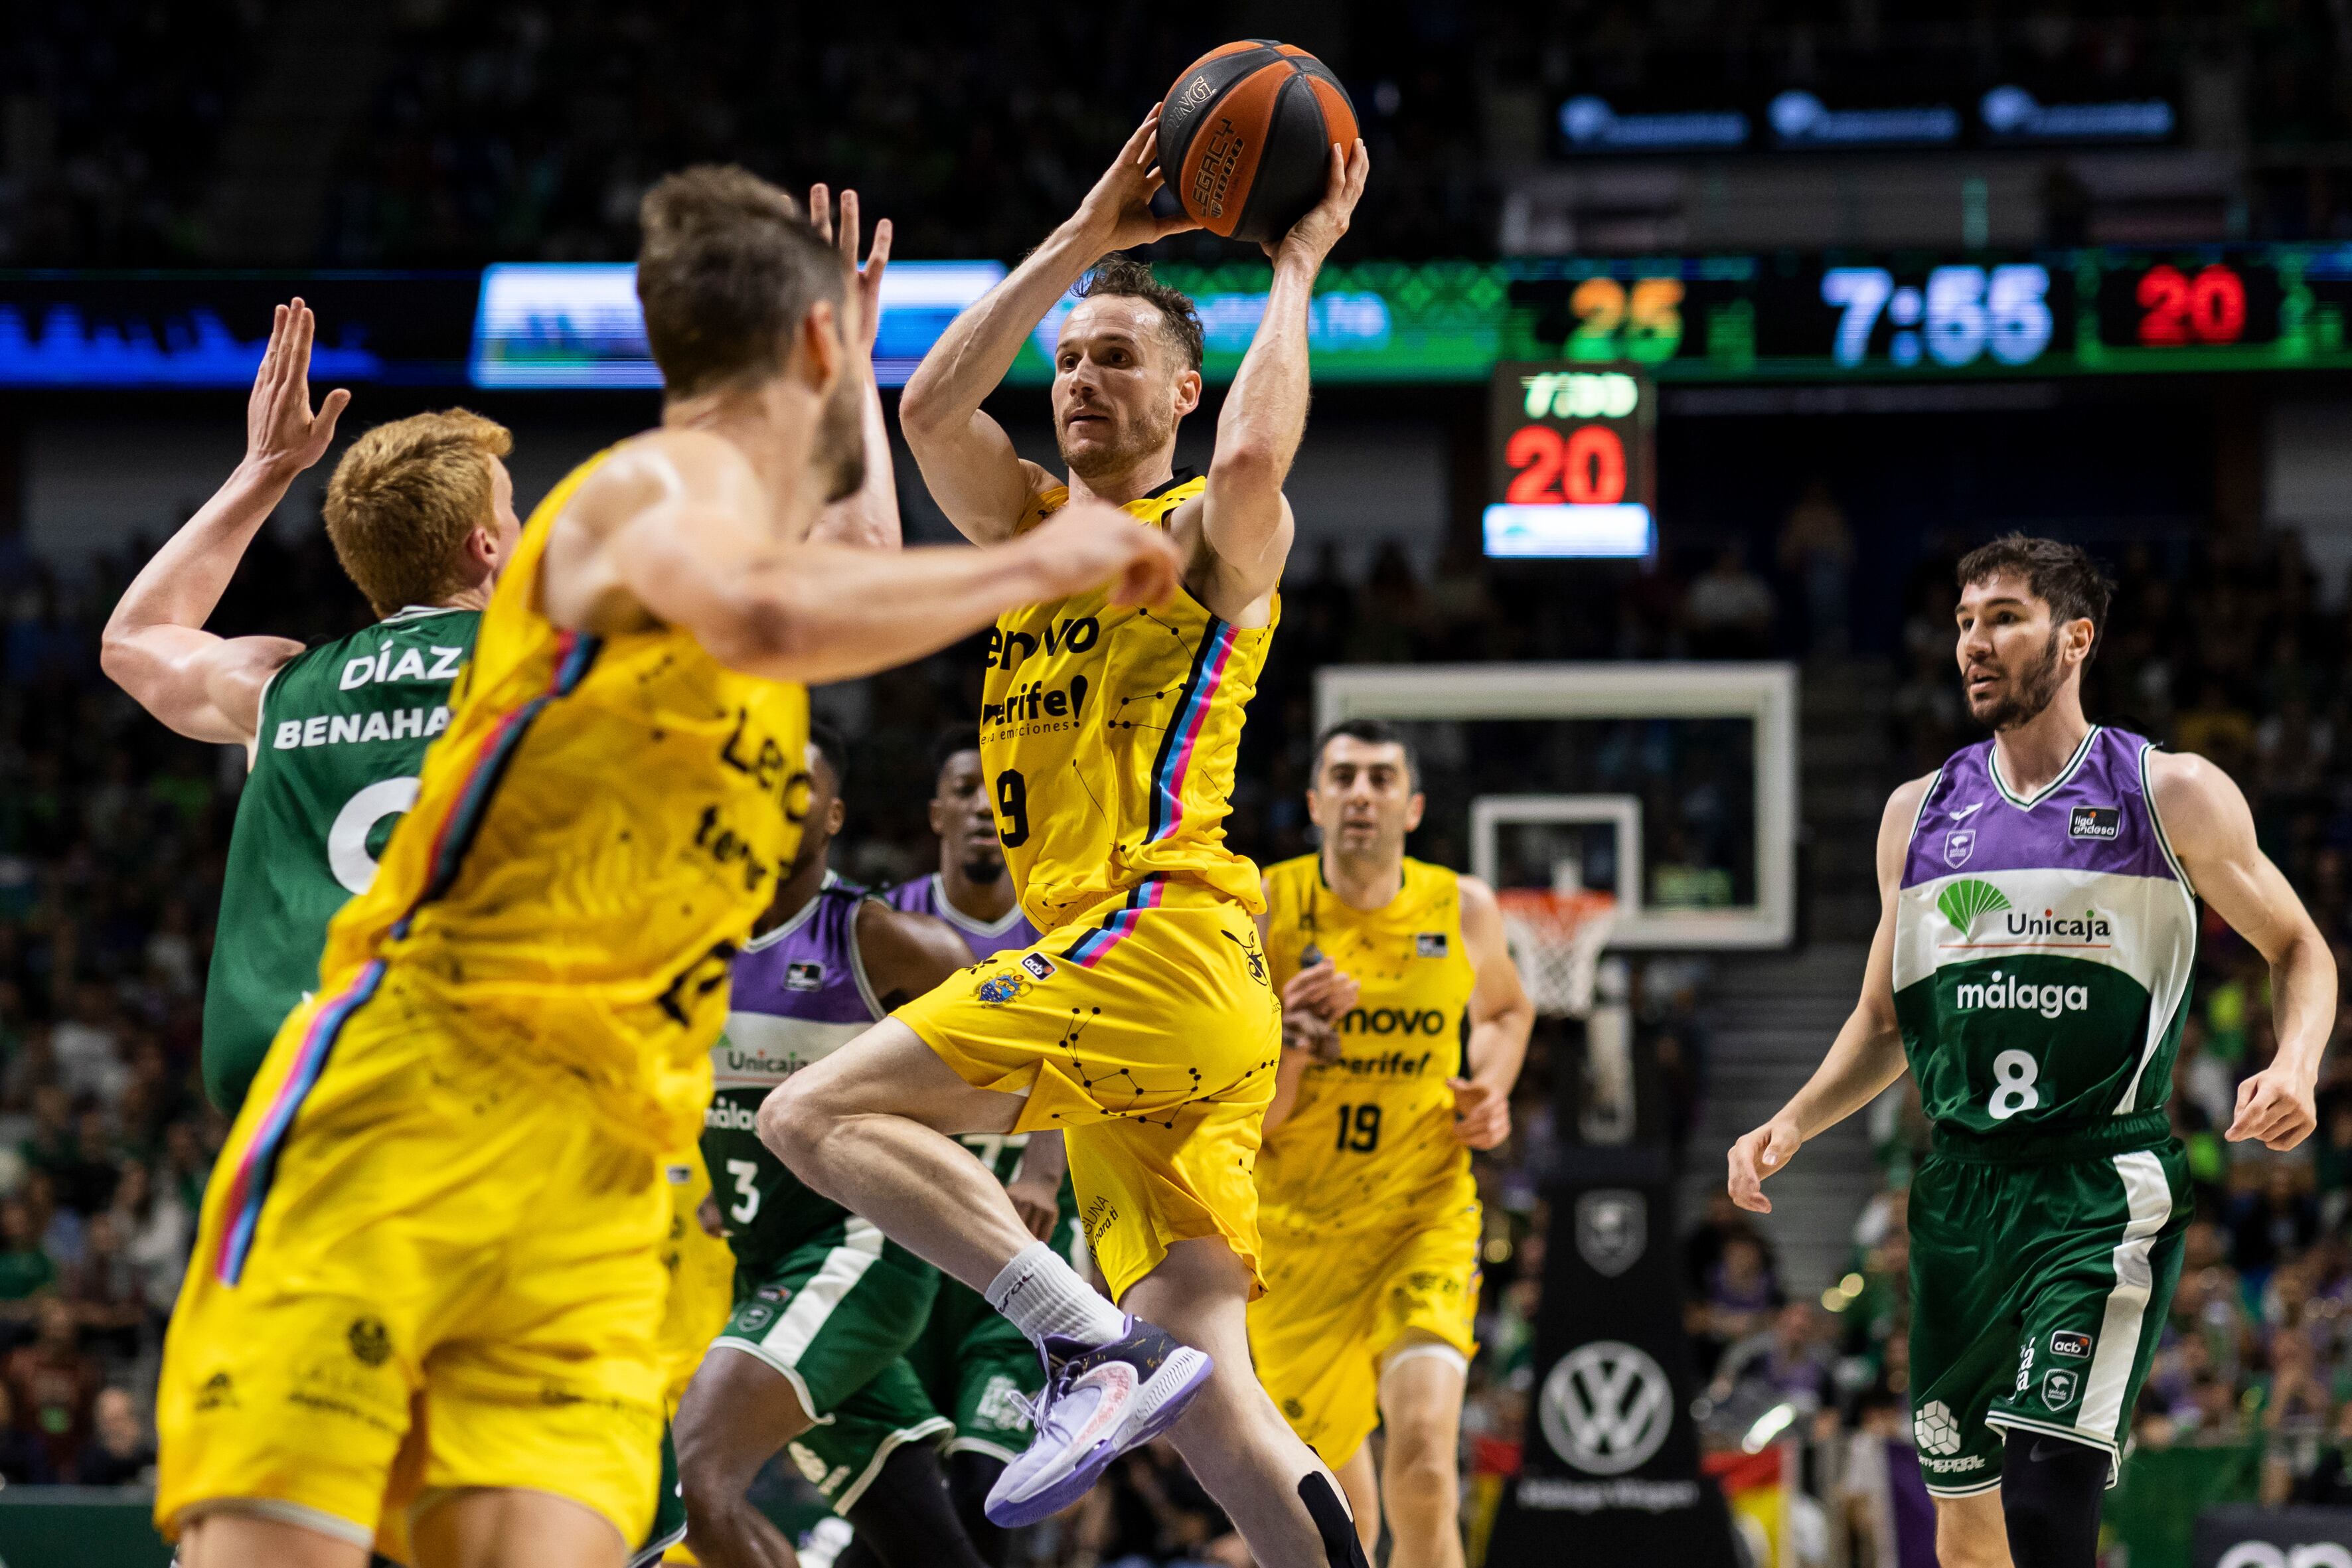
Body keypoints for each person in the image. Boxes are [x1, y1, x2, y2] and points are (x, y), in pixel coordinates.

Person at [151, 165, 1177, 1568]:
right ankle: (1077, 1331)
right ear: (817, 346)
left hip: (606, 1171)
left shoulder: (695, 573)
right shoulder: (647, 494)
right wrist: (1044, 561)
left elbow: (848, 555)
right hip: (413, 1103)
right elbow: (777, 596)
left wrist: (858, 396)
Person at [763, 110, 1380, 1567]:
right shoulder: (1035, 532)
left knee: (815, 1115)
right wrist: (1092, 234)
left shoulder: (1198, 537)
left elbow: (1254, 462)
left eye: (1115, 356)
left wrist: (1294, 265)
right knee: (1221, 1410)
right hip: (1143, 1000)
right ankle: (1118, 1356)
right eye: (1068, 358)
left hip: (1153, 937)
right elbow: (927, 417)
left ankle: (1078, 1349)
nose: (1079, 377)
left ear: (1183, 387)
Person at [1728, 534, 2334, 1568]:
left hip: (2099, 1181)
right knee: (1964, 1524)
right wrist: (1791, 1118)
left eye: (2003, 616)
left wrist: (2294, 1061)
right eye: (1963, 621)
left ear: (2073, 637)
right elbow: (1882, 1022)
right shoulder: (1912, 816)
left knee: (2045, 1498)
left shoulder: (2167, 790)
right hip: (1961, 1192)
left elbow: (2298, 946)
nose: (1973, 641)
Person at [98, 301, 509, 1117]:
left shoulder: (276, 682)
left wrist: (265, 469)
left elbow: (136, 635)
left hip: (284, 1079)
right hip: (458, 1076)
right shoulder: (556, 669)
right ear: (485, 545)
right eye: (511, 511)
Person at [676, 721, 994, 1568]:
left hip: (862, 1250)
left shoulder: (884, 940)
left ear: (833, 816)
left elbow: (1019, 1072)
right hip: (766, 1257)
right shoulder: (691, 941)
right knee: (922, 1544)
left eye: (797, 786)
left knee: (698, 1477)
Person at [1251, 720, 1533, 1568]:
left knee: (1423, 1467)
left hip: (1423, 1215)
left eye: (1380, 779)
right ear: (1314, 803)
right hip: (1294, 1239)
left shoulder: (1464, 908)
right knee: (1339, 1522)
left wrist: (1491, 1089)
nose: (1362, 794)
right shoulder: (1262, 907)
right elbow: (1247, 1116)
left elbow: (1508, 1013)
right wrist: (1294, 1036)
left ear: (1412, 808)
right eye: (1343, 777)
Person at [887, 737, 1076, 1567]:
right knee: (908, 1498)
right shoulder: (886, 923)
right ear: (937, 813)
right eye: (963, 790)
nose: (981, 809)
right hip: (911, 1227)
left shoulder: (1064, 923)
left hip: (1022, 1230)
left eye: (996, 793)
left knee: (987, 1489)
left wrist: (1042, 1166)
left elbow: (1088, 1052)